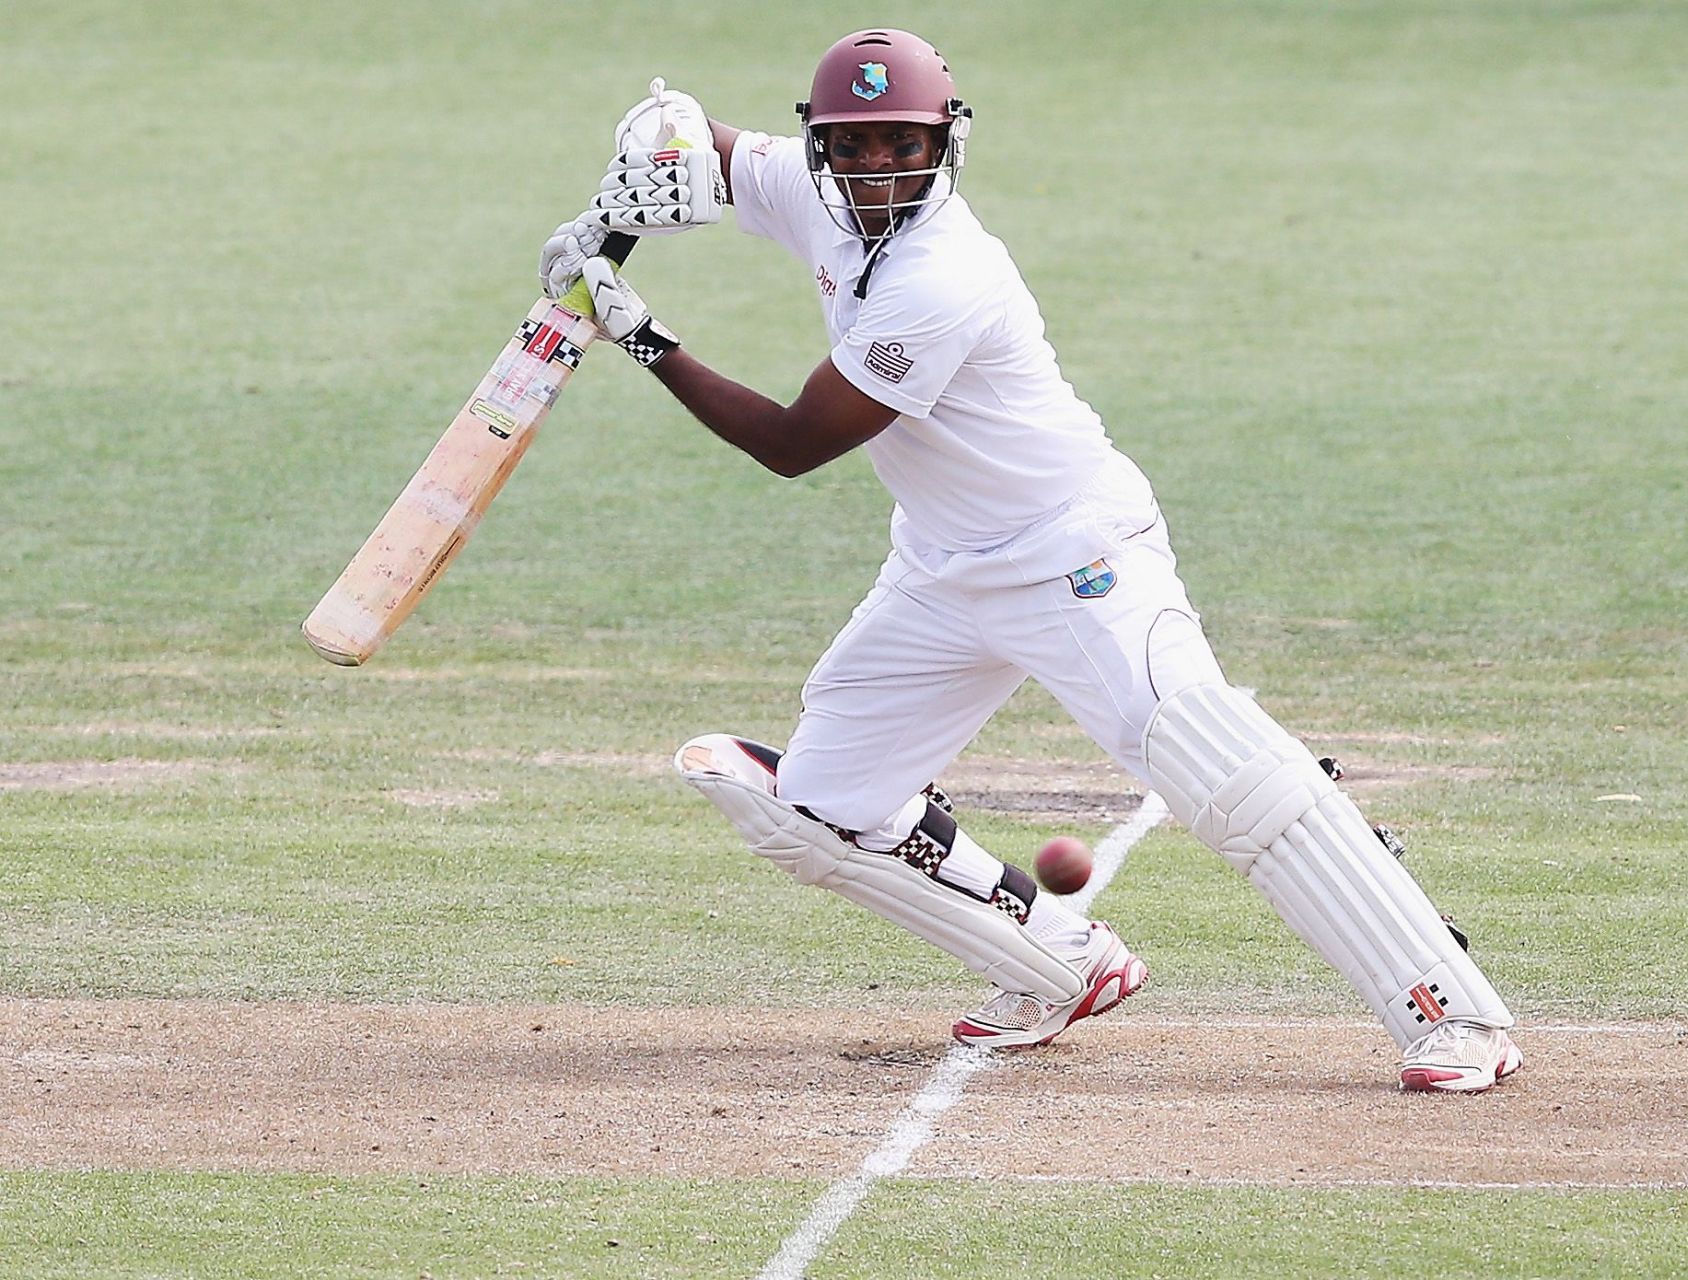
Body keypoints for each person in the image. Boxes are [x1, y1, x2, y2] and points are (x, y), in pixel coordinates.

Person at [538, 29, 1522, 1091]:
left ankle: (1450, 1011)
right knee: (819, 800)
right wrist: (641, 165)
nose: (879, 167)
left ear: (944, 141)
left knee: (1219, 769)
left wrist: (634, 328)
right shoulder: (814, 183)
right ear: (820, 143)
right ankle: (1056, 956)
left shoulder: (944, 273)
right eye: (855, 145)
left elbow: (791, 445)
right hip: (944, 565)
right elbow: (704, 141)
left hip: (1073, 552)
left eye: (903, 143)